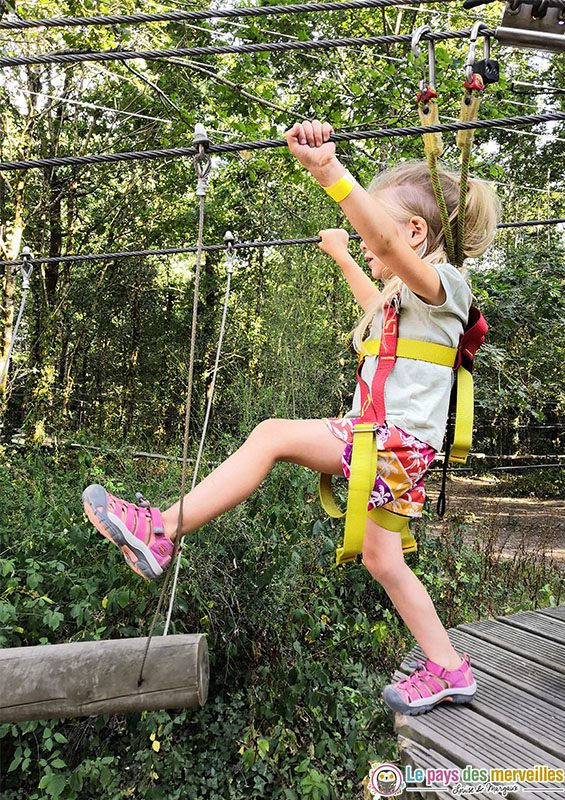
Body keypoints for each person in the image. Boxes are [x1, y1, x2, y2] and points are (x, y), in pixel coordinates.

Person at [82, 120, 500, 715]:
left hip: (391, 443)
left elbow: (383, 248)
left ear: (412, 232)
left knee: (270, 435)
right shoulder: (412, 302)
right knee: (384, 560)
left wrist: (330, 173)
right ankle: (450, 667)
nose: (366, 244)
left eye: (374, 231)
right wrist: (340, 257)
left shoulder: (447, 286)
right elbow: (374, 302)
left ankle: (161, 530)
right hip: (399, 451)